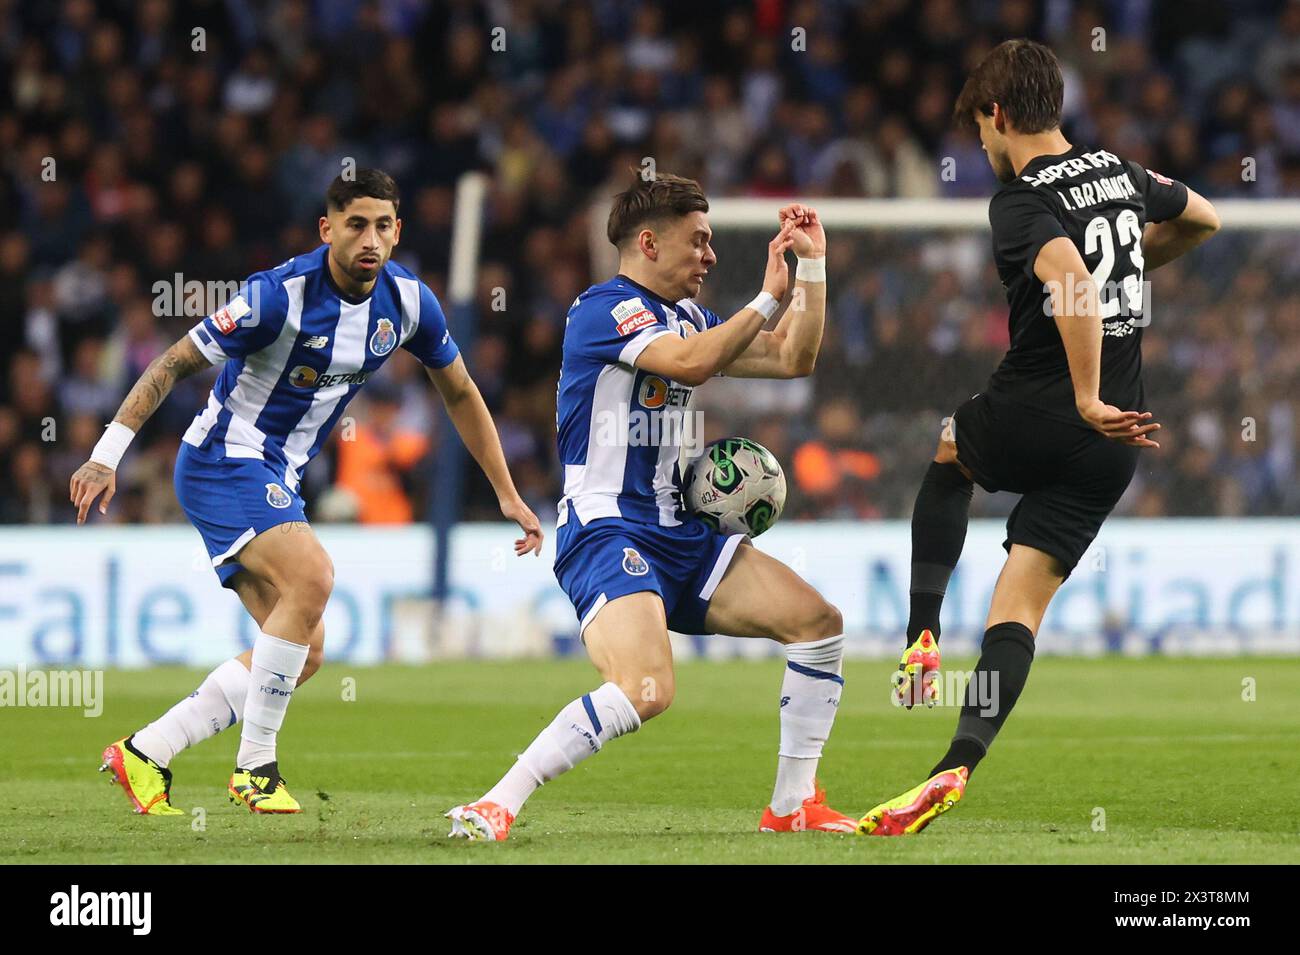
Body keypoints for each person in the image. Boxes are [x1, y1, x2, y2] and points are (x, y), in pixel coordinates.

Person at [72, 169, 542, 815]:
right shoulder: (277, 296)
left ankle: (148, 749)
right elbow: (174, 359)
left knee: (303, 651)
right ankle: (255, 767)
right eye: (356, 225)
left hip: (276, 475)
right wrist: (105, 456)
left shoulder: (408, 303)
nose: (370, 238)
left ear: (398, 231)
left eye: (383, 225)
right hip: (223, 459)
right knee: (315, 576)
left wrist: (506, 493)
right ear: (328, 230)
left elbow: (460, 390)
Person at [863, 40, 1220, 836]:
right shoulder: (1121, 171)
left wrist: (1085, 392)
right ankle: (953, 765)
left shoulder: (1020, 200)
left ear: (997, 115)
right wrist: (1130, 275)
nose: (983, 151)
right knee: (1018, 608)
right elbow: (1202, 216)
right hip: (1116, 440)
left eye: (981, 135)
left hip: (1053, 406)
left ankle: (921, 633)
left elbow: (1068, 276)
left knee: (951, 454)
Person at [446, 174, 853, 839]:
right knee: (647, 689)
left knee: (818, 621)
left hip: (683, 534)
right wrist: (766, 295)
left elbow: (791, 357)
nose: (710, 255)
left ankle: (792, 804)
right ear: (648, 243)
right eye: (698, 241)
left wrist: (812, 267)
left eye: (712, 242)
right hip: (607, 530)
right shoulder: (603, 308)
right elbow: (689, 366)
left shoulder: (691, 317)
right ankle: (496, 801)